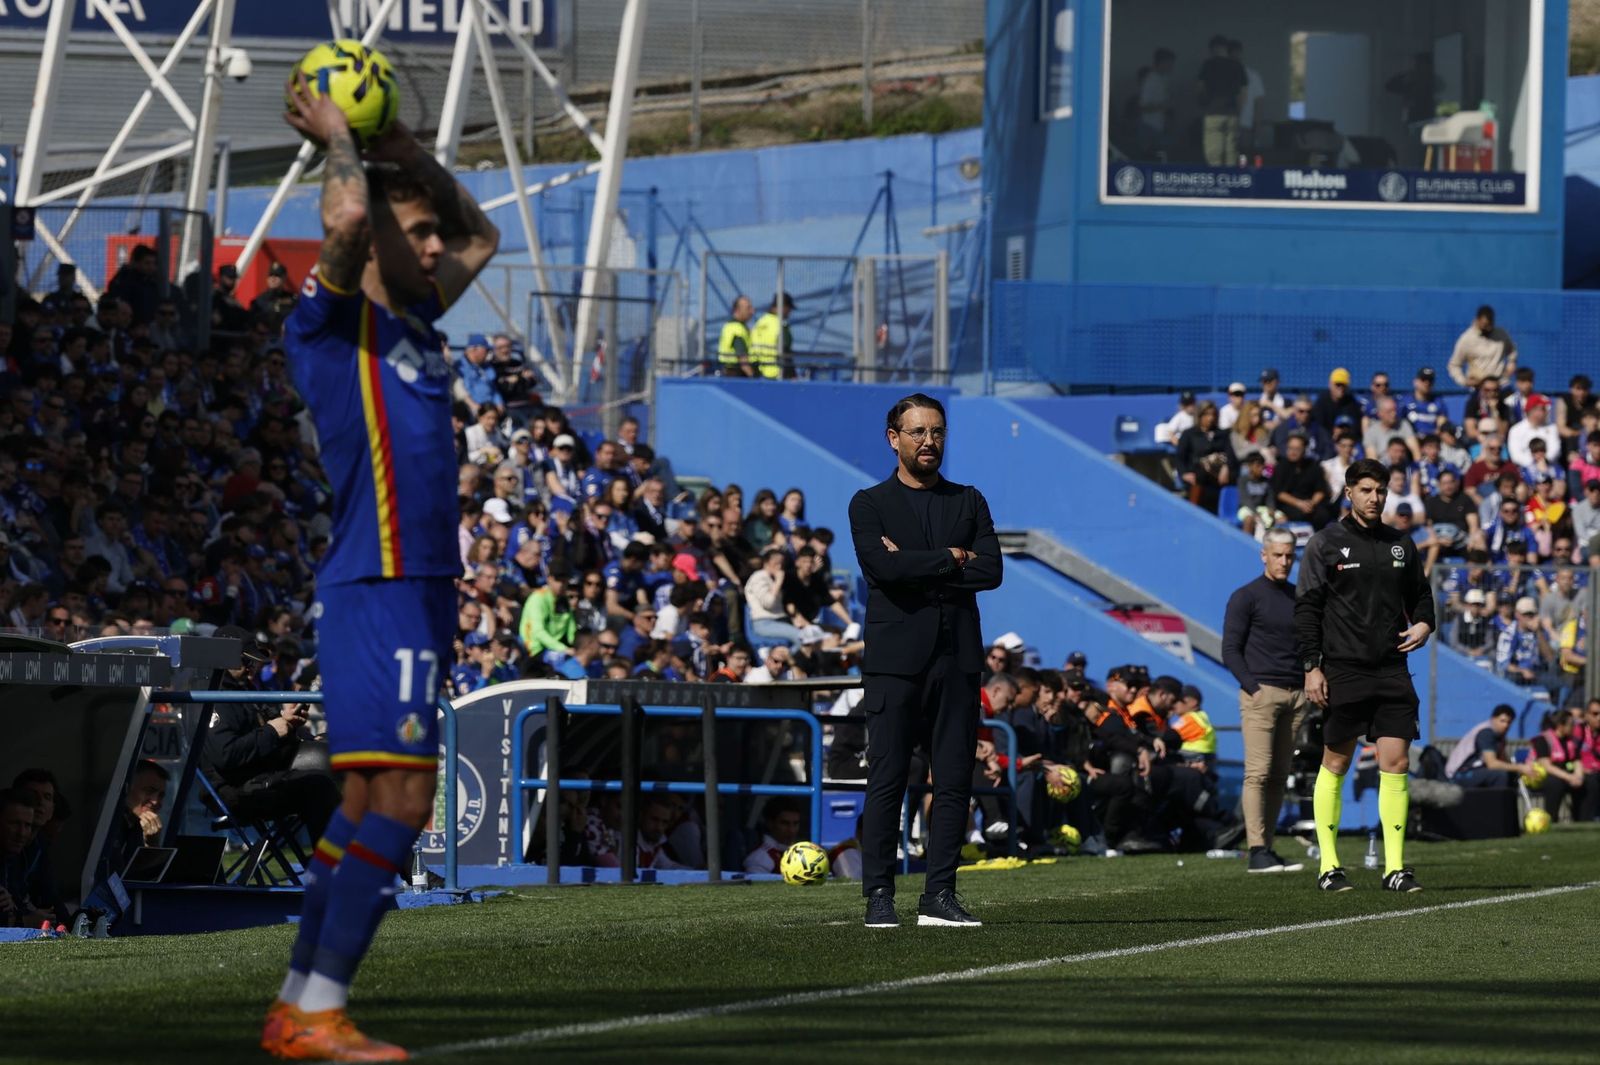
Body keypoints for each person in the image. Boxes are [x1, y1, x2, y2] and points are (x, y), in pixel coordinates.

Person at [265, 74, 499, 1061]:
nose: (438, 246)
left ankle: (295, 1006)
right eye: (420, 233)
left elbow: (482, 235)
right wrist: (342, 141)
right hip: (378, 585)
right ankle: (319, 1012)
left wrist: (405, 146)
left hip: (423, 590)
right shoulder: (328, 331)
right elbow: (352, 215)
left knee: (366, 805)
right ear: (377, 248)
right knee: (404, 803)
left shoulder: (416, 328)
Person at [850, 393, 1001, 928]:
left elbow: (992, 571)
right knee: (888, 776)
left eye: (937, 431)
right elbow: (881, 571)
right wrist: (950, 558)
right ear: (894, 438)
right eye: (917, 432)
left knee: (954, 777)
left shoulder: (969, 500)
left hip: (957, 657)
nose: (929, 441)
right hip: (894, 660)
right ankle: (878, 896)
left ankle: (939, 895)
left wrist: (915, 563)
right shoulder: (869, 503)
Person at [1296, 458, 1434, 894]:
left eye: (1381, 491)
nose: (1375, 498)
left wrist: (1425, 625)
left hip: (1392, 670)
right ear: (1349, 492)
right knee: (1335, 762)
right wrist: (1312, 666)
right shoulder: (1325, 544)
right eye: (1367, 490)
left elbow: (1422, 596)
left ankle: (1394, 868)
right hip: (1343, 669)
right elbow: (1307, 610)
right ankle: (1329, 867)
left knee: (1396, 763)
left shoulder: (1401, 544)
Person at [201, 627, 341, 841]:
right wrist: (272, 731)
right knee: (319, 786)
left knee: (343, 757)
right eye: (246, 662)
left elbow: (272, 729)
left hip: (264, 776)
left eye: (254, 663)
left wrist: (292, 726)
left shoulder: (244, 690)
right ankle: (332, 867)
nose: (252, 670)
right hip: (235, 791)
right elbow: (226, 755)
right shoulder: (210, 695)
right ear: (223, 659)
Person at [1222, 528, 1308, 874]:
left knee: (1278, 776)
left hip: (1296, 695)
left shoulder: (1299, 596)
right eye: (1278, 555)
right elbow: (1230, 649)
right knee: (1257, 773)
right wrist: (1252, 688)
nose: (1284, 561)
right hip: (1262, 694)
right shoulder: (1246, 596)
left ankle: (1267, 848)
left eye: (1289, 555)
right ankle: (1256, 849)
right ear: (1264, 555)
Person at [1444, 705, 1532, 787]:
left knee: (1511, 774)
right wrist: (1520, 767)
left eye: (1509, 722)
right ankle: (1497, 803)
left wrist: (1518, 770)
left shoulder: (1500, 737)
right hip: (1459, 774)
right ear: (1493, 719)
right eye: (1502, 721)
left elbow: (1504, 761)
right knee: (1499, 775)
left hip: (1475, 771)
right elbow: (1492, 764)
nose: (1505, 725)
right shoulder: (1486, 733)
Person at [1196, 35, 1247, 166]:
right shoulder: (1237, 66)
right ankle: (1229, 179)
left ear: (1212, 49)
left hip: (1212, 112)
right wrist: (1239, 114)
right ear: (1226, 48)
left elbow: (1200, 89)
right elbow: (1242, 94)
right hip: (1231, 113)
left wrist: (1203, 105)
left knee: (1213, 153)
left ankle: (1216, 179)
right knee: (1230, 152)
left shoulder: (1207, 65)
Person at [1175, 401, 1234, 512]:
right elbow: (1180, 457)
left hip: (1217, 476)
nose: (1210, 418)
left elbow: (1230, 454)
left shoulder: (1223, 435)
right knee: (1200, 472)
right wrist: (1184, 474)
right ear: (1200, 416)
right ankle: (1194, 510)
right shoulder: (1189, 434)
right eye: (1207, 414)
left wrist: (1226, 468)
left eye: (1213, 415)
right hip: (1197, 477)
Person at [1448, 305, 1517, 389]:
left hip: (1501, 384)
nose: (1487, 328)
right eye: (1484, 325)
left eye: (1490, 325)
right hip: (1479, 387)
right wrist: (1464, 381)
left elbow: (1512, 350)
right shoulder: (1466, 339)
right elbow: (1454, 365)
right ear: (1477, 320)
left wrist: (1512, 362)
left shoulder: (1501, 334)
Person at [743, 799, 805, 874]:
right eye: (785, 823)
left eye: (795, 824)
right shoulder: (759, 859)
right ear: (770, 823)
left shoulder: (800, 851)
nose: (791, 830)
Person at [747, 293, 793, 380]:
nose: (789, 313)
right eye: (789, 309)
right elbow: (786, 351)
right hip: (778, 373)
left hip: (758, 373)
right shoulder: (780, 325)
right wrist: (792, 375)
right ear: (784, 307)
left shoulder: (760, 323)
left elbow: (752, 350)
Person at [717, 295, 755, 377]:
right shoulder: (737, 329)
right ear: (737, 310)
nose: (752, 311)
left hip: (728, 372)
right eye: (748, 308)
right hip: (736, 374)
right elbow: (743, 360)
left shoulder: (730, 326)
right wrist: (753, 378)